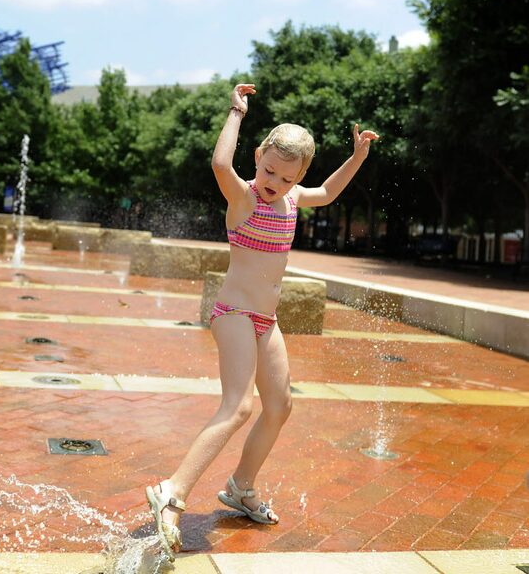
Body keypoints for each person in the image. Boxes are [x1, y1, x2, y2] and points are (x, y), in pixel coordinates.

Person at [145, 83, 379, 561]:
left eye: (287, 178)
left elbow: (330, 191)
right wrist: (236, 112)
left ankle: (240, 486)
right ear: (258, 157)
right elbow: (218, 165)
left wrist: (357, 156)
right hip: (232, 313)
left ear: (298, 177)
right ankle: (171, 492)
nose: (274, 182)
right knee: (239, 407)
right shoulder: (245, 200)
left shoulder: (292, 202)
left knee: (280, 405)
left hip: (265, 320)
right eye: (269, 170)